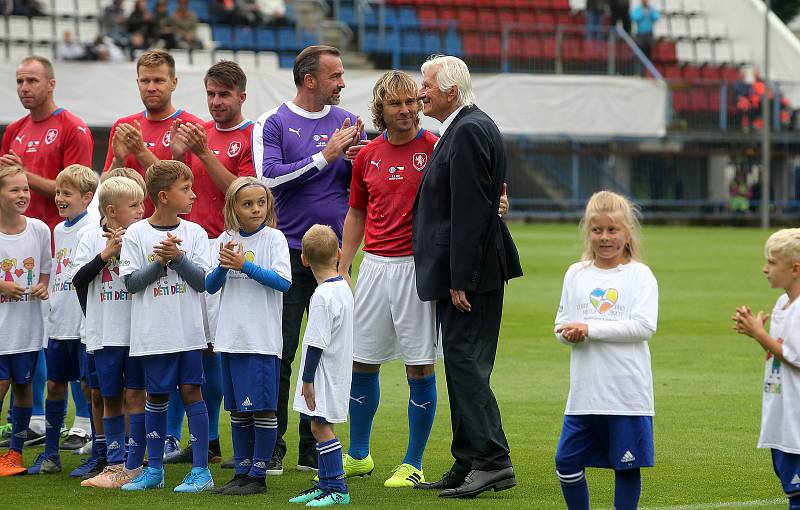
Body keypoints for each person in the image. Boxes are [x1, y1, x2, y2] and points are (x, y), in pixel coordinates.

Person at [412, 55, 522, 498]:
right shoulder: (462, 128)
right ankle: (469, 459)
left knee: (466, 365)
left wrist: (463, 276)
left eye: (427, 84)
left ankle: (493, 461)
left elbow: (473, 212)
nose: (421, 92)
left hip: (470, 274)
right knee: (459, 366)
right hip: (464, 270)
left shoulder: (470, 129)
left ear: (451, 91)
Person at [252, 44, 362, 473]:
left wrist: (355, 159)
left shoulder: (348, 123)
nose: (343, 83)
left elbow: (357, 192)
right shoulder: (273, 121)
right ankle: (274, 444)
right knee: (281, 351)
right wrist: (326, 155)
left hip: (332, 261)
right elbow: (266, 179)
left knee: (329, 352)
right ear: (310, 79)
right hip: (289, 256)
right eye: (335, 75)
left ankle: (312, 446)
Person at [337, 70, 441, 488]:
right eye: (396, 103)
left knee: (419, 366)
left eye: (411, 101)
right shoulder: (367, 156)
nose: (407, 110)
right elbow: (356, 213)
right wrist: (344, 265)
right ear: (380, 108)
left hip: (417, 267)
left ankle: (413, 463)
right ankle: (359, 454)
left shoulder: (435, 146)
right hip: (375, 267)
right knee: (362, 361)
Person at [162, 60, 256, 468]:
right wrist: (178, 154)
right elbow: (170, 187)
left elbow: (244, 195)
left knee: (216, 349)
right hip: (190, 245)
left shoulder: (252, 135)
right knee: (190, 346)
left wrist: (200, 151)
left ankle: (220, 438)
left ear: (241, 96)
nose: (216, 102)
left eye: (224, 94)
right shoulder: (196, 134)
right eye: (211, 94)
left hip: (228, 247)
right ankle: (197, 438)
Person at [553, 191, 658, 510]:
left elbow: (643, 326)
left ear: (627, 232)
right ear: (588, 231)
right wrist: (568, 335)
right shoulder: (576, 273)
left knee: (626, 467)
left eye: (613, 230)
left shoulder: (639, 275)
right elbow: (560, 324)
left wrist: (590, 329)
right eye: (597, 230)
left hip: (626, 395)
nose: (605, 237)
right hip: (584, 394)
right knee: (566, 462)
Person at [118, 160, 213, 492]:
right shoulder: (136, 234)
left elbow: (203, 282)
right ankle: (154, 470)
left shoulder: (195, 233)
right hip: (153, 335)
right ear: (162, 196)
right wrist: (159, 262)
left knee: (191, 392)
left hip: (187, 333)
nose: (193, 195)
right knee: (156, 396)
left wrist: (178, 258)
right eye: (185, 189)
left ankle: (201, 471)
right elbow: (130, 283)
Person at [205, 177, 290, 495]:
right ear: (233, 208)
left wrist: (244, 265)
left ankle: (258, 475)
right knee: (238, 409)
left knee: (263, 407)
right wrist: (225, 267)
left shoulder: (274, 239)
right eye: (248, 204)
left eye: (261, 202)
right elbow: (211, 286)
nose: (256, 209)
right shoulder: (225, 238)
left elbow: (283, 282)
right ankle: (241, 472)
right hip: (230, 337)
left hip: (260, 339)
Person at [73, 176, 147, 488]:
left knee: (136, 395)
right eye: (135, 206)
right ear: (112, 210)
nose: (142, 211)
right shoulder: (90, 236)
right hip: (105, 332)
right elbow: (77, 279)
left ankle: (137, 462)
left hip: (138, 331)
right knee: (109, 396)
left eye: (143, 203)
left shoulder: (145, 235)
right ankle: (114, 464)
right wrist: (106, 253)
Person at [25, 164, 97, 476]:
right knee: (55, 385)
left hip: (85, 325)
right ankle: (51, 454)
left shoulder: (93, 228)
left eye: (66, 193)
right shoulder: (58, 229)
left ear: (87, 197)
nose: (59, 198)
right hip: (60, 324)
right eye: (57, 192)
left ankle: (100, 451)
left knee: (89, 387)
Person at [733, 228, 800, 510]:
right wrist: (758, 334)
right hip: (781, 414)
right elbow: (780, 352)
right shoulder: (783, 303)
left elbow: (796, 357)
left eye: (772, 263)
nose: (765, 269)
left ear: (795, 268)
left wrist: (760, 334)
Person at [289, 224, 353, 507]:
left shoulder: (322, 297)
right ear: (339, 253)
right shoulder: (342, 288)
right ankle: (325, 485)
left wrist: (307, 379)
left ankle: (337, 487)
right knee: (319, 424)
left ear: (304, 259)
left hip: (323, 373)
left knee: (320, 427)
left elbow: (315, 342)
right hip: (338, 369)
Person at [103, 49, 204, 217]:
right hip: (129, 231)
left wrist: (140, 151)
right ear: (138, 83)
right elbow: (105, 186)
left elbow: (184, 190)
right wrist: (118, 161)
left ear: (174, 83)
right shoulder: (124, 125)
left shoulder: (192, 126)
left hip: (172, 232)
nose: (151, 88)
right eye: (145, 81)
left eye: (158, 81)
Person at [0, 56, 94, 233]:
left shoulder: (73, 128)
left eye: (32, 81)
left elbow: (77, 192)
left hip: (58, 238)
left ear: (51, 84)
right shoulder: (14, 129)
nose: (24, 88)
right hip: (16, 237)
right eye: (19, 82)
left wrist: (23, 175)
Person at [0, 166, 51, 477]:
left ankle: (14, 454)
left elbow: (45, 270)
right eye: (14, 190)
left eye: (25, 189)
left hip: (28, 330)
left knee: (23, 387)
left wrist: (43, 285)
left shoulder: (39, 229)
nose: (22, 195)